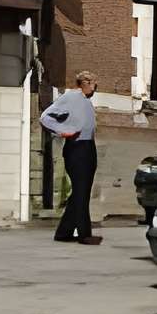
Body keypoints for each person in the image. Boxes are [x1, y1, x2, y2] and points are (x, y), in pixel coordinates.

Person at [41, 70, 101, 244]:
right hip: (77, 148)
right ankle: (84, 234)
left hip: (88, 147)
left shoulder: (86, 101)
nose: (95, 88)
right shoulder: (70, 97)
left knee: (82, 192)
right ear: (85, 83)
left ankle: (63, 232)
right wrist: (63, 131)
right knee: (81, 191)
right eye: (94, 84)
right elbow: (45, 117)